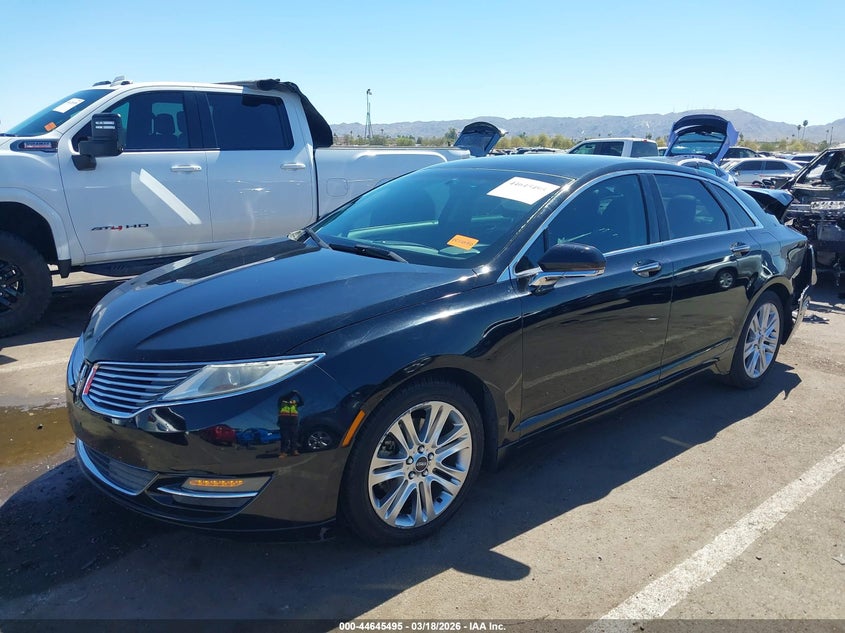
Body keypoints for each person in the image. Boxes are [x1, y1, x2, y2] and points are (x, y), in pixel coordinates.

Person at [277, 393, 302, 458]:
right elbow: (286, 396)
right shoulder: (281, 401)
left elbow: (302, 402)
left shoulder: (294, 403)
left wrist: (298, 395)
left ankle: (294, 450)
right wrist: (292, 392)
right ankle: (283, 452)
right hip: (284, 422)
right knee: (284, 437)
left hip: (293, 422)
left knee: (294, 437)